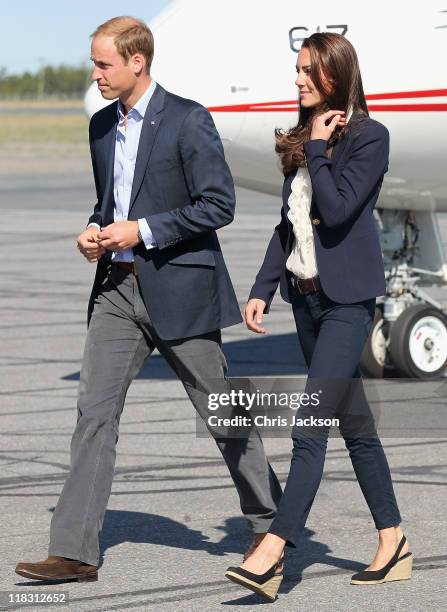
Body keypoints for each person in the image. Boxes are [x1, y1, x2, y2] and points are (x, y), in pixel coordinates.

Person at [15, 16, 282, 583]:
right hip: (117, 289)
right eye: (94, 62)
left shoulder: (187, 120)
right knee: (94, 414)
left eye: (103, 63)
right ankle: (74, 552)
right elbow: (109, 203)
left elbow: (218, 204)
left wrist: (143, 230)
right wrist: (95, 231)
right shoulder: (98, 128)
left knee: (220, 409)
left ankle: (270, 525)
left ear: (138, 62)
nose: (96, 74)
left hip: (180, 287)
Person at [225, 32, 412, 601]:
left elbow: (334, 211)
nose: (298, 78)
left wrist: (322, 150)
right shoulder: (310, 139)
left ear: (335, 73)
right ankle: (394, 540)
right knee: (355, 428)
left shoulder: (368, 138)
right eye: (298, 68)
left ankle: (271, 553)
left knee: (309, 430)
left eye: (308, 69)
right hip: (306, 302)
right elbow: (290, 225)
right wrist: (261, 288)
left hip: (346, 305)